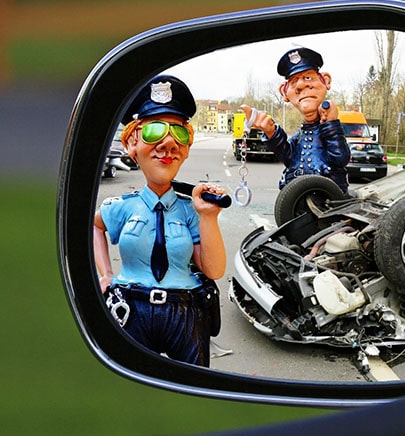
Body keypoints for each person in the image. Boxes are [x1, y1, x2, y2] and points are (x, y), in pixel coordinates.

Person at [93, 75, 227, 367]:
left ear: (188, 146)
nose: (168, 143)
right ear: (131, 143)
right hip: (132, 309)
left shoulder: (191, 208)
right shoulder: (122, 208)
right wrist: (104, 275)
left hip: (186, 311)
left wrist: (208, 216)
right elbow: (95, 225)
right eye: (154, 131)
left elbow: (214, 268)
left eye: (178, 133)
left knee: (193, 385)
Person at [241, 47, 350, 192]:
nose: (301, 85)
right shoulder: (300, 135)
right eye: (294, 82)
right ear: (284, 92)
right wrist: (271, 132)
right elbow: (288, 156)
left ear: (326, 81)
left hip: (327, 201)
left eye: (308, 77)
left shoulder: (325, 129)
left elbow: (340, 158)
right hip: (294, 202)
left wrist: (331, 125)